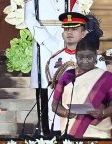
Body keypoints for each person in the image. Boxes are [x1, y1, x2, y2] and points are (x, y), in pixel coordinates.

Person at [45, 12, 107, 135]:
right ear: (62, 33)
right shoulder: (53, 60)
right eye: (66, 29)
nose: (69, 32)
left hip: (85, 120)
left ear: (84, 33)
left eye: (74, 29)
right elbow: (52, 90)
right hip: (59, 119)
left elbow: (101, 90)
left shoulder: (96, 59)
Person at [24, 0, 80, 135]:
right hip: (42, 45)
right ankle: (46, 132)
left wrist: (66, 41)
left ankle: (66, 132)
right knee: (45, 84)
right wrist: (48, 41)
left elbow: (77, 19)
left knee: (68, 87)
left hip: (66, 44)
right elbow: (29, 18)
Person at [52, 39, 112, 139]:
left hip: (99, 130)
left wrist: (103, 113)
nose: (85, 60)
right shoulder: (67, 76)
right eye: (81, 57)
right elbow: (55, 104)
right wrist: (65, 112)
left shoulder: (105, 78)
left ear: (95, 57)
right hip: (71, 131)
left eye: (89, 57)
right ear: (76, 56)